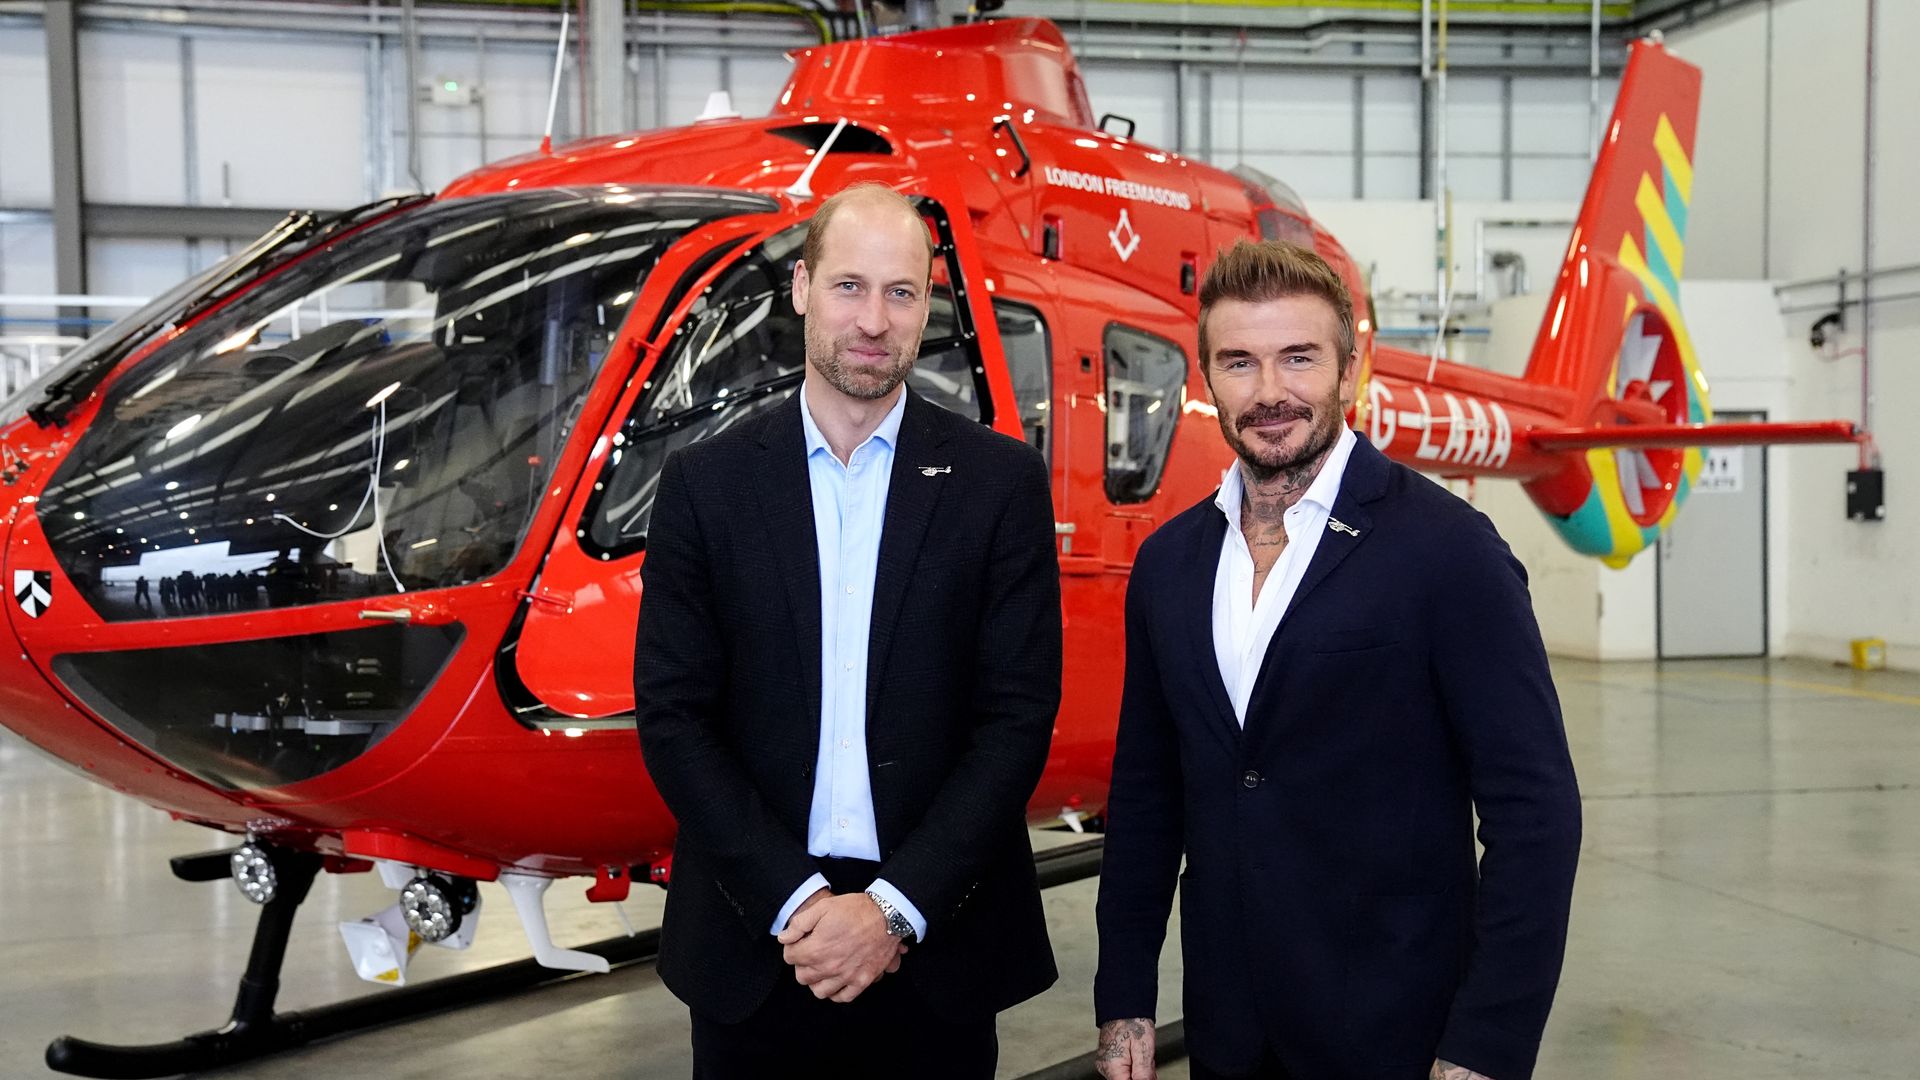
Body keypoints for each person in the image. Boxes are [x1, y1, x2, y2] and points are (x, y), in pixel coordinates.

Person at [1092, 240, 1582, 1080]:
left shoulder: (1448, 550)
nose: (1270, 391)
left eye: (1299, 358)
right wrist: (1125, 992)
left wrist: (1486, 1044)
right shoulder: (1171, 564)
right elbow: (1145, 795)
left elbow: (1535, 813)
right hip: (1229, 1034)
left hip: (1400, 1036)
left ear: (1352, 369)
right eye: (1239, 362)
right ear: (1207, 378)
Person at [634, 182, 1062, 1079]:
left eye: (901, 293)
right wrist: (794, 904)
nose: (874, 319)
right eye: (849, 287)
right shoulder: (705, 487)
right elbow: (674, 716)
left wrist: (896, 908)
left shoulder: (1000, 485)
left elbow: (1016, 720)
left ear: (927, 305)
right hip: (756, 947)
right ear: (800, 288)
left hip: (935, 950)